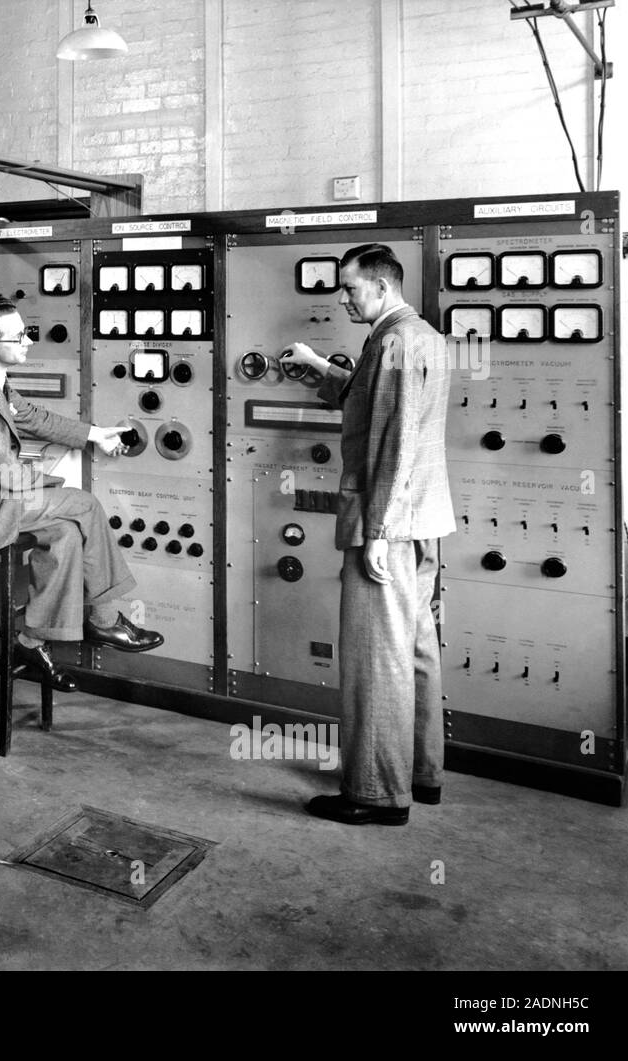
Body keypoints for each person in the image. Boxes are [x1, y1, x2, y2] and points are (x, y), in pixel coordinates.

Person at [280, 244, 455, 826]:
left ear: (381, 286)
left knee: (376, 657)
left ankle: (376, 794)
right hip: (421, 519)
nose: (344, 298)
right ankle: (420, 773)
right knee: (416, 648)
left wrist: (377, 530)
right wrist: (320, 368)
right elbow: (372, 403)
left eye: (351, 289)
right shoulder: (417, 335)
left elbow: (397, 439)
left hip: (388, 523)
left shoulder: (395, 342)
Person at [0, 292, 163, 689]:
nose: (29, 342)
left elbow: (31, 417)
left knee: (66, 533)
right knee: (83, 505)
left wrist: (95, 435)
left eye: (27, 333)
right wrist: (55, 484)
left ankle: (30, 642)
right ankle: (105, 621)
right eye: (19, 337)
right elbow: (6, 471)